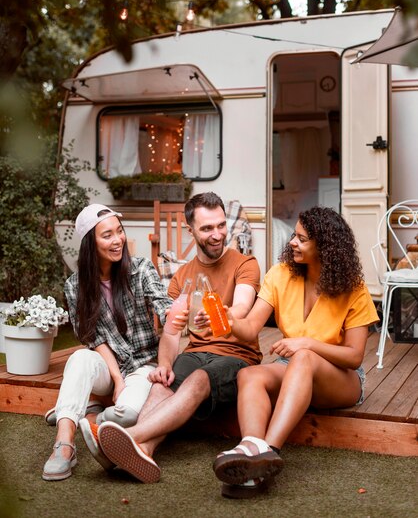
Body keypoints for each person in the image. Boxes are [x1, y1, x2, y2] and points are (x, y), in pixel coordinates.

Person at [84, 192, 262, 483]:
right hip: (195, 352)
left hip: (237, 357)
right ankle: (143, 450)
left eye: (220, 225)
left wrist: (222, 315)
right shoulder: (182, 277)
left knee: (199, 379)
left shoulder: (246, 264)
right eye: (207, 228)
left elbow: (242, 308)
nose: (217, 234)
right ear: (190, 229)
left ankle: (126, 438)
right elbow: (171, 330)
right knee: (160, 385)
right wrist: (164, 363)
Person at [212, 206, 379, 499]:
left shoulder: (354, 288)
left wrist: (307, 344)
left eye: (302, 239)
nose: (292, 243)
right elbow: (250, 328)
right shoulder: (280, 275)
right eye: (294, 235)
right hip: (294, 365)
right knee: (250, 375)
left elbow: (354, 356)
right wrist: (227, 319)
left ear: (324, 247)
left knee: (303, 356)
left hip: (341, 377)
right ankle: (251, 449)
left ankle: (269, 451)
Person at [42, 204, 173, 481]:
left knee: (126, 416)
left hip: (142, 364)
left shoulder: (140, 269)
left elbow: (162, 304)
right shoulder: (75, 285)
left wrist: (174, 313)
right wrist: (116, 378)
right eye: (107, 235)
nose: (118, 240)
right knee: (79, 358)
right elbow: (93, 338)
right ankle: (64, 446)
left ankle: (81, 413)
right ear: (91, 242)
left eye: (119, 231)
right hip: (107, 365)